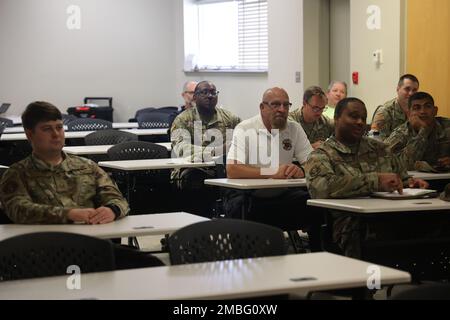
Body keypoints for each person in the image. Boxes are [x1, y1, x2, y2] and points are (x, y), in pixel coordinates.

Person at [305, 97, 429, 257]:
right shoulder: (321, 155)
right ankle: (370, 279)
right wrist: (375, 181)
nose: (359, 122)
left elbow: (402, 179)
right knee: (370, 232)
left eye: (363, 118)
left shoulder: (380, 149)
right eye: (353, 116)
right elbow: (321, 188)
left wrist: (412, 184)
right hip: (353, 223)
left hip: (392, 213)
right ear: (336, 120)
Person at [0, 101, 130, 224]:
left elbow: (117, 199)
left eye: (59, 127)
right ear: (30, 134)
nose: (56, 134)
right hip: (43, 244)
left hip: (93, 240)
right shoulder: (17, 173)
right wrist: (68, 214)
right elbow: (18, 209)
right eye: (47, 129)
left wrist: (112, 210)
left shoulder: (88, 167)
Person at [226, 87, 321, 251]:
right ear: (262, 107)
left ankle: (318, 258)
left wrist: (302, 171)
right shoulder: (245, 128)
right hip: (248, 196)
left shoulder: (294, 128)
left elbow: (314, 164)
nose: (282, 110)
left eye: (286, 105)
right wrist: (272, 172)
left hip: (282, 194)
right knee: (245, 209)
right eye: (275, 105)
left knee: (317, 204)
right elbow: (232, 169)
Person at [170, 81, 241, 216]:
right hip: (191, 171)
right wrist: (214, 151)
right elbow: (181, 149)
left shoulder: (230, 119)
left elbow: (245, 141)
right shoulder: (183, 119)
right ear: (194, 97)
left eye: (213, 92)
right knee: (196, 179)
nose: (209, 96)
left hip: (224, 170)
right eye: (204, 92)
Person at [385, 91, 450, 171]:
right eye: (416, 108)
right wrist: (423, 132)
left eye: (427, 106)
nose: (423, 111)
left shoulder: (447, 126)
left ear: (435, 111)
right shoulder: (400, 133)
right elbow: (389, 162)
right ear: (409, 114)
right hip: (413, 181)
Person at [371, 74, 420, 140]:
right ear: (398, 89)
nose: (411, 93)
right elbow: (375, 139)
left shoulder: (418, 110)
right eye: (407, 89)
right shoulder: (385, 111)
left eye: (414, 90)